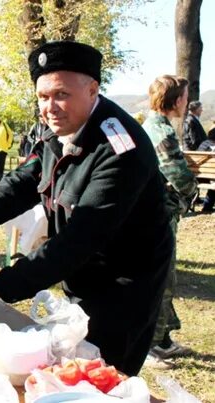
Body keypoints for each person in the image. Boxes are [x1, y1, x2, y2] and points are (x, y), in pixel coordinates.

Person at [0, 41, 173, 376]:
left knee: (104, 374)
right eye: (42, 96)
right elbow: (28, 178)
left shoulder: (121, 149)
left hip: (124, 284)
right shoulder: (60, 128)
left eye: (61, 94)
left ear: (92, 89)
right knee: (72, 362)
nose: (50, 107)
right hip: (81, 269)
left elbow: (80, 238)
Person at [142, 75, 197, 367]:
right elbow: (174, 170)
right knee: (159, 278)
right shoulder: (159, 129)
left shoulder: (156, 126)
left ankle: (162, 339)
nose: (187, 102)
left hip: (161, 210)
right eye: (185, 97)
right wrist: (193, 189)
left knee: (166, 276)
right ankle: (149, 345)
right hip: (157, 213)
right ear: (176, 100)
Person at [197, 129, 215, 212]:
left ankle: (207, 206)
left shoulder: (203, 144)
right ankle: (207, 205)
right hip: (212, 176)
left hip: (199, 176)